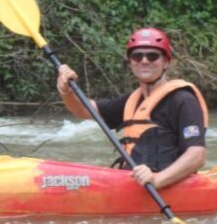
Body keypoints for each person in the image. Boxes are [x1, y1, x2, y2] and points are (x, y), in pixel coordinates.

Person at [56, 27, 208, 189]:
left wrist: (158, 180)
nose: (144, 61)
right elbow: (84, 110)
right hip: (132, 184)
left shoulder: (183, 100)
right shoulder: (131, 101)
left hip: (165, 186)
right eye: (137, 56)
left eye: (152, 56)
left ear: (166, 62)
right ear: (131, 63)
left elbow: (196, 155)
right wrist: (67, 91)